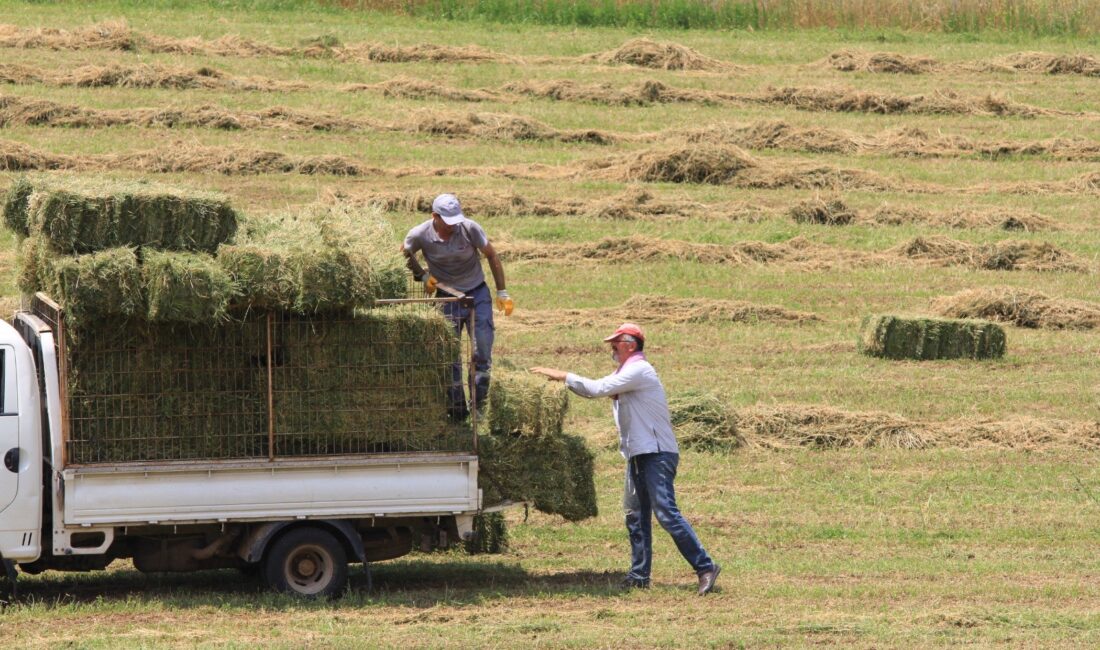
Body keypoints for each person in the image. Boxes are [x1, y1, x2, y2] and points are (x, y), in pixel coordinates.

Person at [530, 323, 720, 595]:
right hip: (638, 455)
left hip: (656, 454)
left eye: (616, 343)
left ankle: (706, 567)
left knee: (666, 513)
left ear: (631, 344)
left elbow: (596, 388)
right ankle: (639, 574)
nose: (612, 348)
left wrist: (562, 375)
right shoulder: (626, 372)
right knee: (635, 516)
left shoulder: (638, 370)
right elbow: (595, 389)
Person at [402, 193, 511, 419]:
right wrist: (422, 276)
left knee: (482, 351)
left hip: (476, 294)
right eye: (448, 222)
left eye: (455, 221)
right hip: (446, 297)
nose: (453, 226)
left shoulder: (469, 229)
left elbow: (491, 255)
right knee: (448, 355)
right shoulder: (420, 234)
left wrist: (502, 292)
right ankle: (457, 410)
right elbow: (405, 252)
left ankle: (479, 405)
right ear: (435, 217)